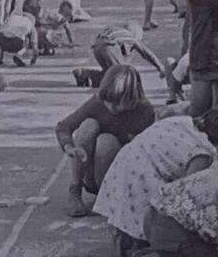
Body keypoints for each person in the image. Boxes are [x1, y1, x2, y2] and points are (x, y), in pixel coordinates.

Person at [93, 104, 218, 257]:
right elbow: (188, 195)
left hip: (126, 163)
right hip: (143, 177)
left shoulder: (187, 123)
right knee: (169, 214)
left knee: (133, 211)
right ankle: (143, 242)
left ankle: (125, 235)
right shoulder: (204, 154)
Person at [56, 64, 156, 217]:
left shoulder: (145, 112)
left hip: (120, 176)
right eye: (107, 100)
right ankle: (75, 190)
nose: (110, 106)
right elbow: (64, 126)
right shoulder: (97, 103)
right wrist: (70, 148)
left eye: (116, 102)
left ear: (132, 97)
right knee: (89, 125)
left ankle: (108, 196)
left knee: (106, 141)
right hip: (89, 171)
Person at [72, 20, 167, 88]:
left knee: (109, 74)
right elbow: (147, 53)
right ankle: (118, 90)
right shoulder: (132, 38)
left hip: (98, 45)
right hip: (110, 45)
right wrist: (160, 67)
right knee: (121, 74)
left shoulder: (119, 33)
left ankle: (84, 73)